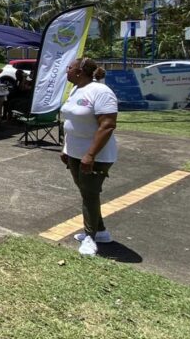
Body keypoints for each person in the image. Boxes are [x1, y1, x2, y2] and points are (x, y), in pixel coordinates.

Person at [60, 57, 119, 256]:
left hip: (95, 156)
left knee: (89, 194)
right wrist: (66, 149)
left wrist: (90, 154)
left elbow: (108, 125)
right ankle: (101, 231)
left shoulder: (101, 92)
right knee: (87, 193)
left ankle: (90, 238)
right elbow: (71, 122)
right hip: (75, 153)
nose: (66, 71)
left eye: (69, 68)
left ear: (79, 72)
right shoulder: (76, 89)